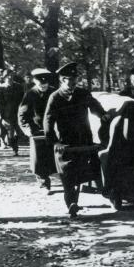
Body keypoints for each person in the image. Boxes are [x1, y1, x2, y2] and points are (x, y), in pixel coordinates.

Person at [43, 62, 109, 218]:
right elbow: (48, 121)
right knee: (67, 175)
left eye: (75, 79)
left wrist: (103, 114)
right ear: (62, 80)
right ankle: (71, 204)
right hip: (66, 144)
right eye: (69, 80)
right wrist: (55, 142)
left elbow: (95, 106)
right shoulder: (55, 97)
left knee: (88, 170)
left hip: (84, 141)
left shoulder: (83, 93)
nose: (73, 82)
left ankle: (103, 192)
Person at [18, 68, 56, 193]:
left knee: (56, 155)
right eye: (40, 83)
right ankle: (44, 182)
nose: (43, 86)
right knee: (40, 158)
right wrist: (28, 130)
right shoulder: (30, 94)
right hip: (37, 131)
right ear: (35, 81)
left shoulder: (54, 92)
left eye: (45, 84)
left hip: (54, 129)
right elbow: (22, 114)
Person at [0, 69, 23, 155]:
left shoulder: (18, 86)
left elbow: (23, 100)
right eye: (7, 76)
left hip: (18, 112)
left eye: (11, 75)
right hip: (7, 114)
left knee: (19, 132)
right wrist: (0, 116)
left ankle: (12, 142)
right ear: (5, 77)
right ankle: (15, 149)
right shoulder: (1, 88)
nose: (9, 77)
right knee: (10, 132)